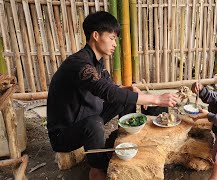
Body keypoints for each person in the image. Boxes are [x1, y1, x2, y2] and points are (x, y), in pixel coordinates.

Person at [46, 11, 178, 180]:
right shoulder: (79, 64)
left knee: (123, 97)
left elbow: (111, 88)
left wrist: (128, 89)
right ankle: (97, 168)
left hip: (88, 116)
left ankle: (126, 141)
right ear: (95, 35)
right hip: (65, 133)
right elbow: (106, 91)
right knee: (95, 123)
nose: (115, 44)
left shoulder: (96, 63)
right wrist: (156, 98)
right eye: (111, 38)